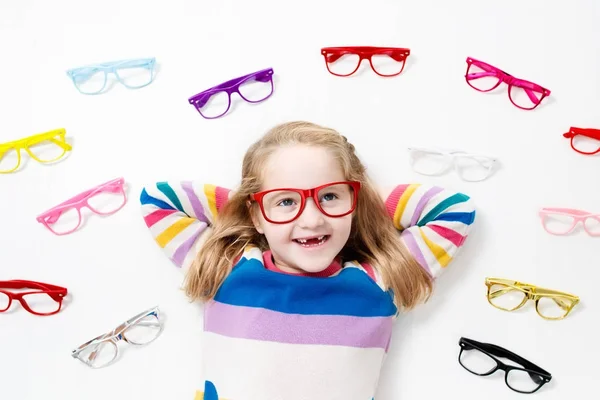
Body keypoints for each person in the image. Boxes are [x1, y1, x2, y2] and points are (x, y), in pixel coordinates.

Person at [139, 121, 476, 400]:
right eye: (286, 201)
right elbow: (158, 199)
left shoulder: (380, 280)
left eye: (330, 195)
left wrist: (365, 207)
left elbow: (454, 209)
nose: (312, 219)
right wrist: (252, 208)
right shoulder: (224, 267)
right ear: (255, 214)